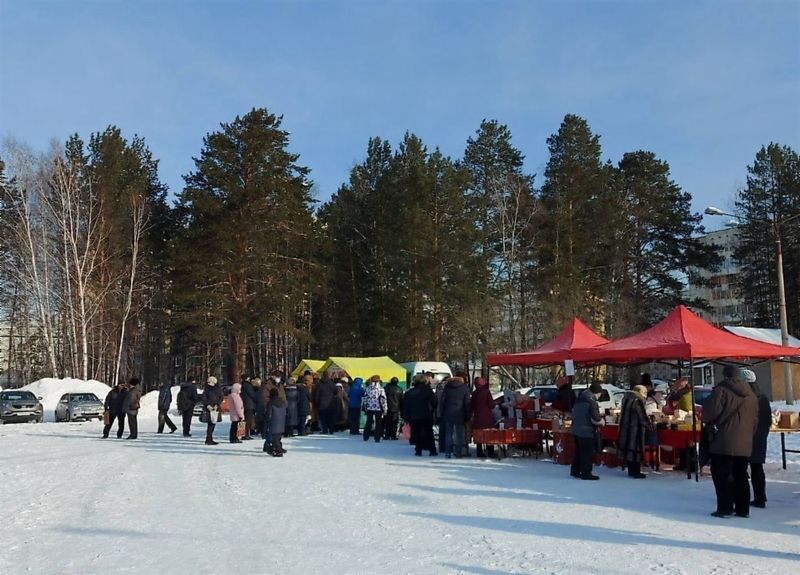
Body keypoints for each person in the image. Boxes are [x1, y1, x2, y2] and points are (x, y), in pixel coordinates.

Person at [702, 366, 758, 518]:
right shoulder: (752, 395)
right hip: (744, 443)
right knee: (741, 475)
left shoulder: (721, 391)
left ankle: (725, 508)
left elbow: (708, 413)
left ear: (725, 376)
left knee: (722, 475)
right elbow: (755, 422)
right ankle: (743, 508)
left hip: (723, 443)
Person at [742, 369, 770, 509]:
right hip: (760, 438)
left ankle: (741, 497)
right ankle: (760, 497)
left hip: (745, 437)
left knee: (739, 469)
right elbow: (768, 419)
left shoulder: (745, 397)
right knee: (757, 468)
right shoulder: (763, 397)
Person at [571, 382, 604, 480]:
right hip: (586, 430)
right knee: (586, 453)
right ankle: (586, 473)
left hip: (576, 429)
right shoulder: (591, 401)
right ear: (597, 393)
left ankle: (575, 471)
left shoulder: (579, 399)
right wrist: (602, 421)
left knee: (578, 452)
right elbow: (595, 418)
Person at [617, 385, 650, 479]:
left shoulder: (626, 398)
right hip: (634, 428)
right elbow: (642, 416)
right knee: (635, 450)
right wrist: (649, 424)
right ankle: (636, 471)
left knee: (628, 450)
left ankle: (631, 470)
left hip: (625, 427)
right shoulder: (637, 400)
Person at [402, 374, 437, 456]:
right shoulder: (429, 391)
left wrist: (406, 416)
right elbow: (434, 402)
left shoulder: (410, 392)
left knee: (416, 433)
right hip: (427, 415)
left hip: (414, 416)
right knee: (429, 433)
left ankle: (418, 450)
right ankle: (432, 450)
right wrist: (431, 410)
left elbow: (406, 405)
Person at [437, 376, 471, 459]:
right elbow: (467, 402)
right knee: (459, 435)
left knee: (448, 434)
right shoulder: (464, 388)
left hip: (448, 413)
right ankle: (458, 453)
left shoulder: (447, 388)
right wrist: (467, 415)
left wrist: (442, 412)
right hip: (460, 413)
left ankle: (447, 452)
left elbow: (443, 401)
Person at [471, 377, 495, 458]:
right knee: (488, 434)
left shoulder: (474, 393)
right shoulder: (486, 392)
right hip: (487, 416)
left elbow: (472, 406)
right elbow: (491, 405)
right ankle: (490, 452)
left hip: (477, 416)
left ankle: (479, 452)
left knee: (479, 434)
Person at [362, 375, 387, 442]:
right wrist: (385, 408)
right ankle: (377, 437)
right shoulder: (381, 389)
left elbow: (365, 398)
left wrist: (365, 406)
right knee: (378, 423)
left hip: (370, 407)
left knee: (368, 422)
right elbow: (383, 399)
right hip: (378, 407)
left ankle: (366, 436)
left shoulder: (368, 388)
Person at [264, 387, 287, 457]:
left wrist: (267, 421)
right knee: (278, 437)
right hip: (281, 421)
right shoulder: (282, 402)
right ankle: (276, 448)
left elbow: (269, 414)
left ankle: (278, 451)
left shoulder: (271, 403)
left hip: (273, 422)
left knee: (274, 438)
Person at [203, 376, 222, 446]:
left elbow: (221, 397)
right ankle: (208, 439)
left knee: (213, 423)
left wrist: (217, 404)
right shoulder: (206, 389)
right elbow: (204, 398)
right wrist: (208, 405)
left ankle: (209, 438)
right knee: (210, 424)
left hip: (215, 408)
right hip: (209, 409)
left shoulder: (218, 389)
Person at [240, 376, 257, 440]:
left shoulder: (241, 385)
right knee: (248, 420)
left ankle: (241, 434)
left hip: (243, 404)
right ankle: (246, 434)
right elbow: (252, 395)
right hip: (249, 405)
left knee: (243, 419)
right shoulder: (248, 386)